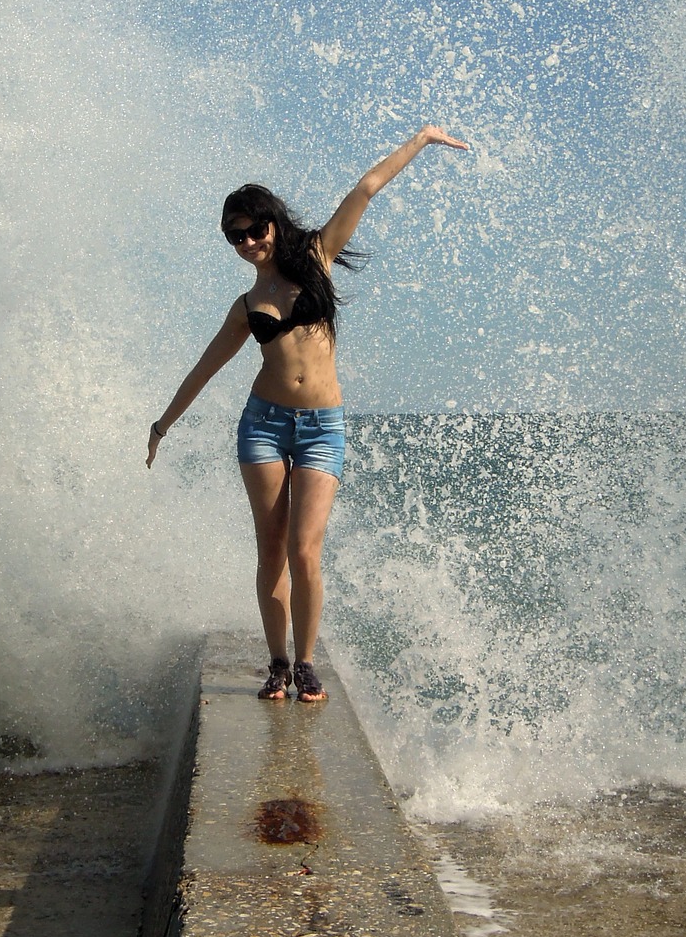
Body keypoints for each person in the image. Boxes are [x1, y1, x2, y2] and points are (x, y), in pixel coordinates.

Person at [146, 124, 469, 701]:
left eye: (253, 230)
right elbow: (205, 368)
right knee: (270, 548)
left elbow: (367, 188)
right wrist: (163, 424)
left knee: (304, 549)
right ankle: (276, 663)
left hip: (323, 426)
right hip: (264, 426)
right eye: (234, 238)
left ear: (273, 221)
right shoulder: (247, 305)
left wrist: (422, 140)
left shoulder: (319, 256)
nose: (247, 243)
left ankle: (306, 662)